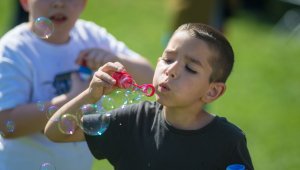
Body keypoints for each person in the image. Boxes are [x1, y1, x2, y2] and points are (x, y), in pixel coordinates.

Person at [45, 23, 254, 169]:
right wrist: (90, 95)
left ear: (212, 91)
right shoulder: (133, 121)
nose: (171, 70)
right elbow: (55, 131)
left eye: (190, 68)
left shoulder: (227, 142)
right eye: (167, 58)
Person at [0, 0, 153, 169]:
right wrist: (74, 98)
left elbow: (149, 77)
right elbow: (7, 123)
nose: (58, 3)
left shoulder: (90, 36)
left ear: (83, 3)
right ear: (25, 2)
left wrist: (115, 59)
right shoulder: (14, 49)